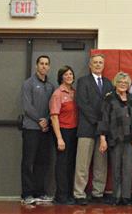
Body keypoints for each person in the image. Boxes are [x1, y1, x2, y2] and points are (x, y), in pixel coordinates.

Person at [73, 54, 114, 205]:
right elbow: (82, 104)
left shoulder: (109, 83)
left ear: (104, 65)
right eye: (95, 62)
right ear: (90, 65)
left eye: (100, 63)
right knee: (82, 163)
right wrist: (98, 122)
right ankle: (79, 194)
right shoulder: (83, 81)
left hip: (103, 131)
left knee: (101, 164)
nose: (98, 65)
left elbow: (111, 106)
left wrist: (103, 125)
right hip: (87, 128)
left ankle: (98, 193)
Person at [98, 72, 132, 206]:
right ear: (116, 83)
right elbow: (104, 119)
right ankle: (116, 195)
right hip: (114, 138)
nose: (123, 85)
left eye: (126, 83)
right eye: (121, 82)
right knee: (116, 168)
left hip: (130, 138)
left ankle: (126, 197)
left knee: (128, 168)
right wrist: (103, 138)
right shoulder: (109, 98)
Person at [20, 55, 55, 206]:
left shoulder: (51, 86)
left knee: (43, 162)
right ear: (36, 66)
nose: (44, 66)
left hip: (45, 130)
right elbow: (27, 107)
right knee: (28, 162)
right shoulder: (28, 84)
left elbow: (52, 107)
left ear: (49, 67)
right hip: (31, 128)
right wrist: (40, 120)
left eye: (46, 64)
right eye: (41, 63)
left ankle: (39, 192)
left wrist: (47, 119)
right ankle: (27, 194)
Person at [49, 65, 78, 205]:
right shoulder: (57, 94)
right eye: (66, 74)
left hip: (74, 131)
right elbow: (54, 117)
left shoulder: (74, 92)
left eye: (71, 74)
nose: (69, 76)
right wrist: (59, 138)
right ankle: (60, 196)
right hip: (62, 131)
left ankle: (68, 194)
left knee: (70, 164)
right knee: (62, 165)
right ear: (61, 77)